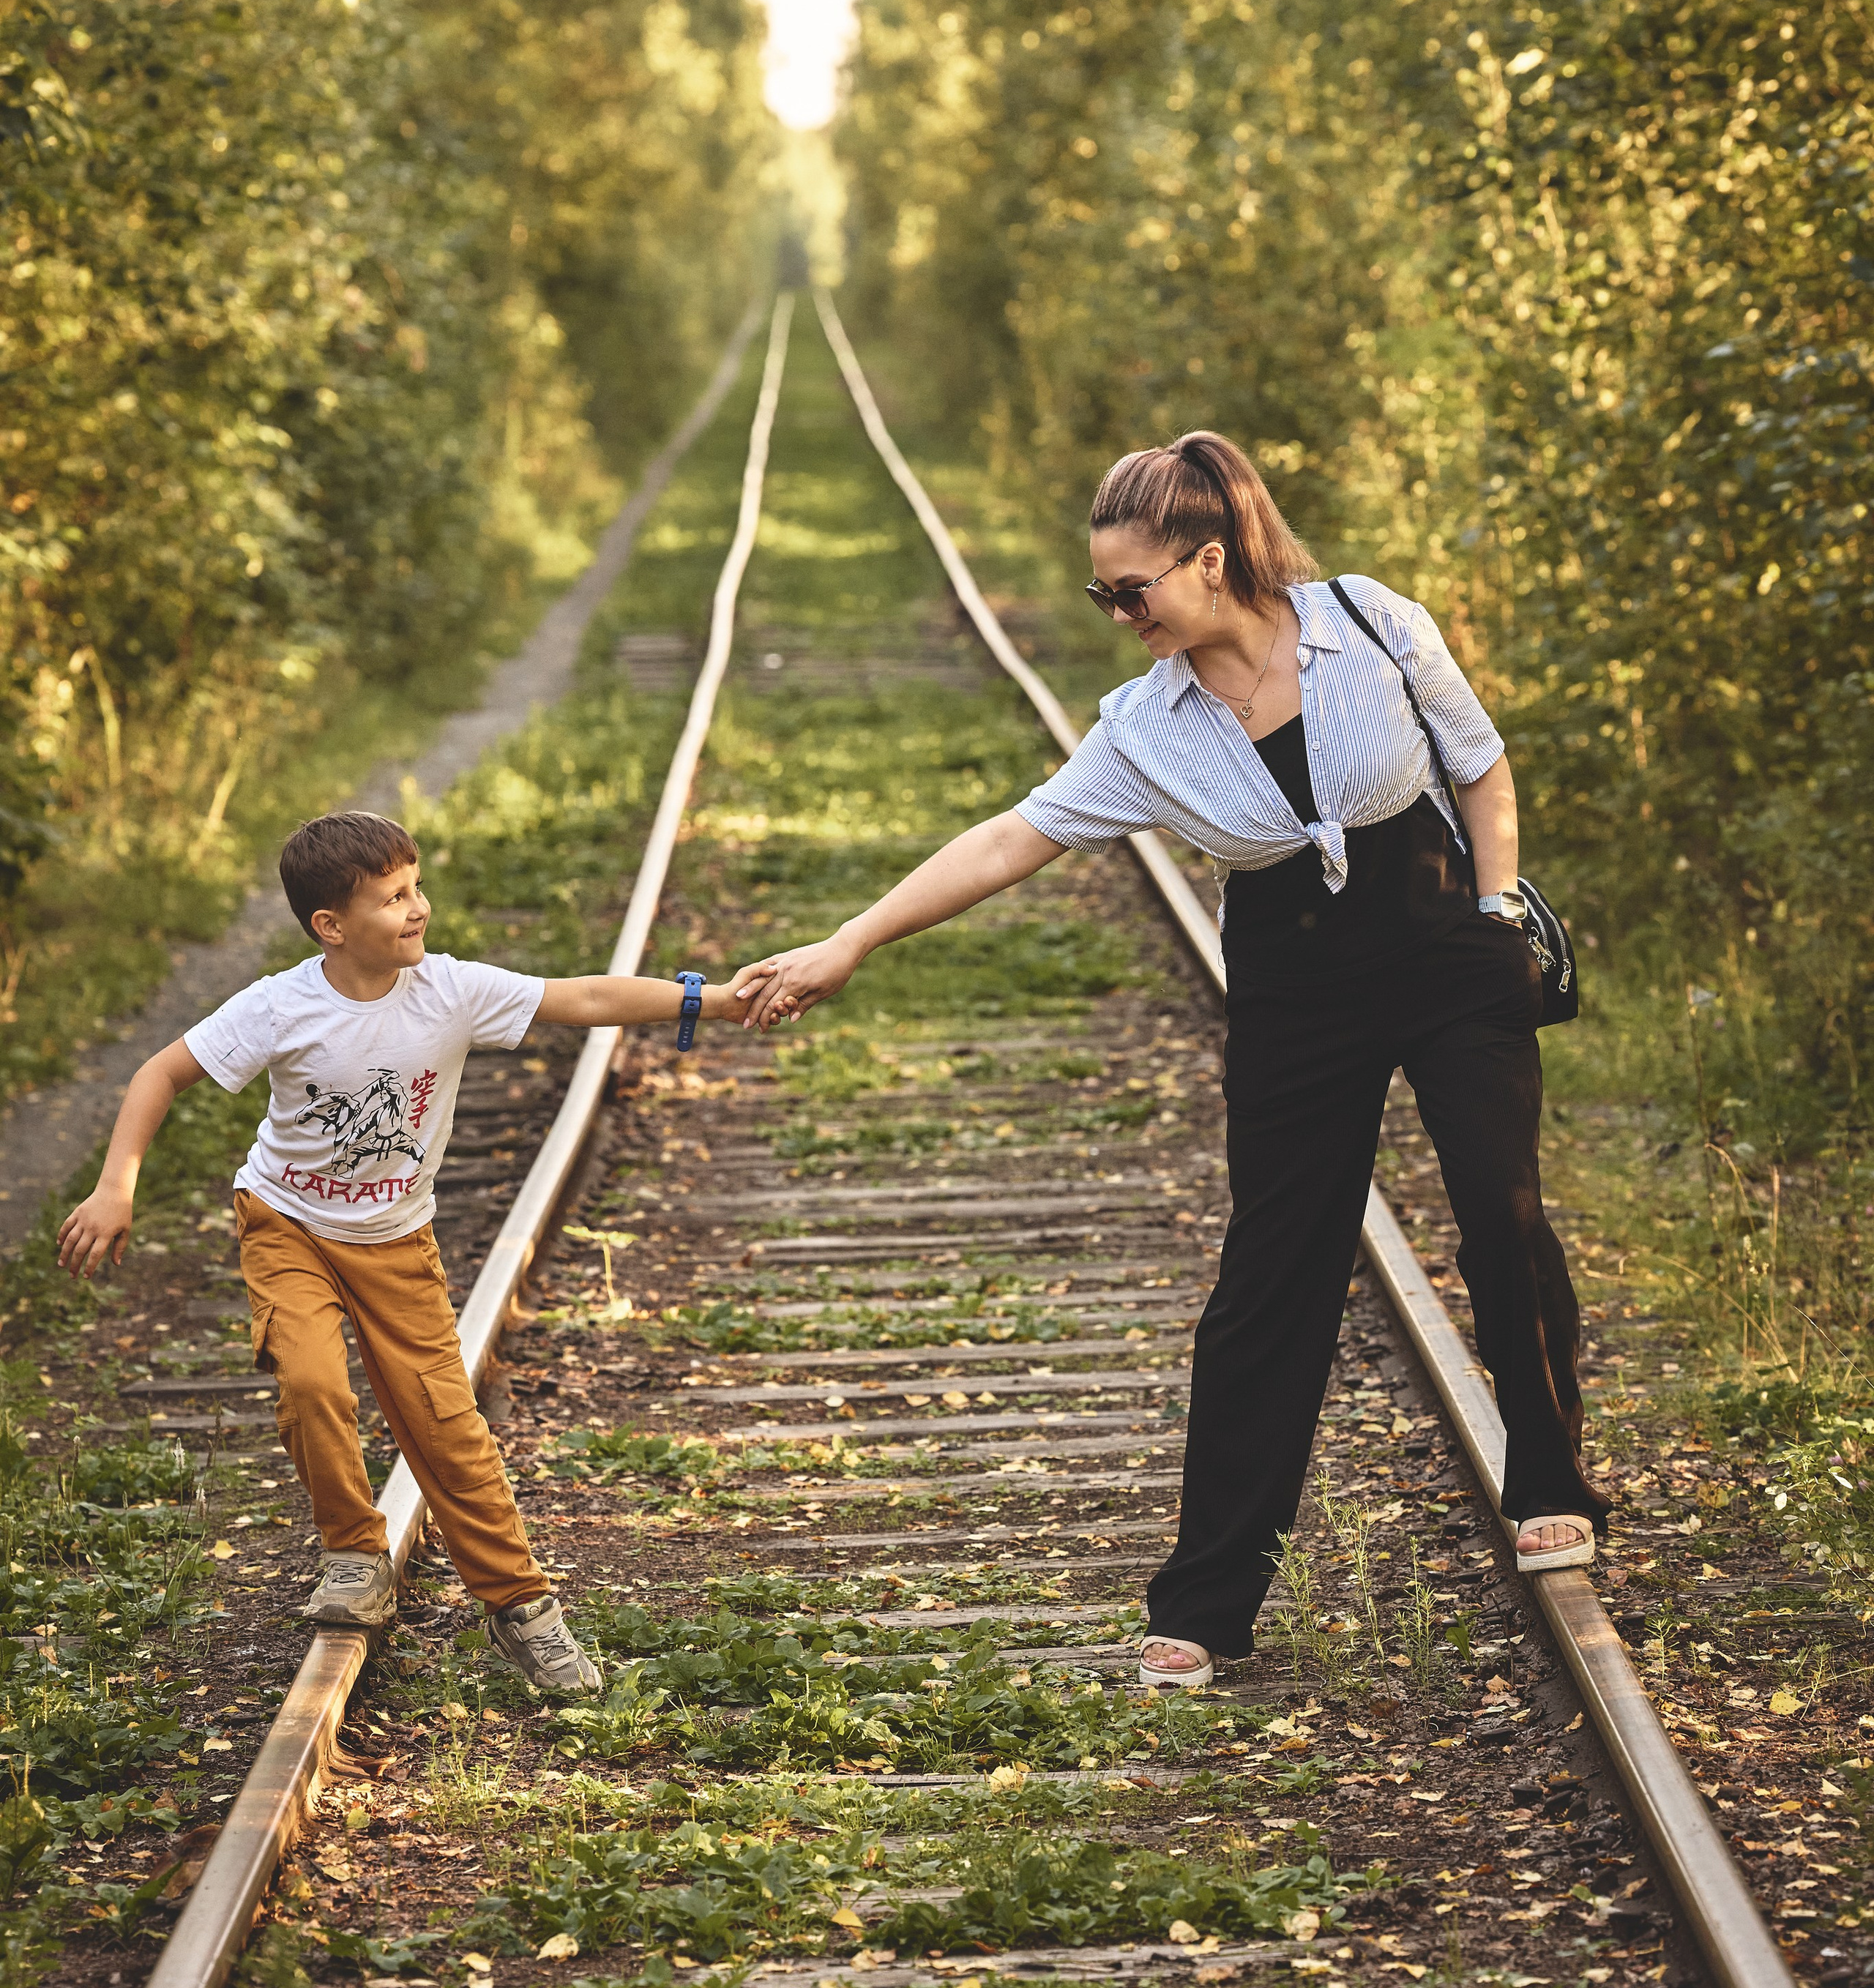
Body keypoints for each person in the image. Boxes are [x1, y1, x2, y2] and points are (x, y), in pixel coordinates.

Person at [742, 433, 1608, 1691]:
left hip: (1443, 940)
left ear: (1210, 560)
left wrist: (1490, 918)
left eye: (1128, 589)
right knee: (1273, 1271)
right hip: (1293, 984)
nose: (1115, 613)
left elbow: (1479, 766)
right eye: (1104, 592)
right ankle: (1207, 1598)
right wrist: (852, 938)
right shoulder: (1145, 726)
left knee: (1498, 1205)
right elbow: (1005, 839)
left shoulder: (1372, 624)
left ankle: (1548, 1473)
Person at [57, 811, 771, 1695]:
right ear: (332, 925)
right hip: (289, 1228)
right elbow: (158, 1073)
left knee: (446, 1431)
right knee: (314, 1383)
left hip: (397, 1241)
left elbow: (579, 999)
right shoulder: (280, 1005)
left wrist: (705, 998)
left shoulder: (451, 990)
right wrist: (116, 1185)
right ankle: (355, 1554)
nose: (418, 908)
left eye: (416, 886)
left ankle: (524, 1609)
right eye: (394, 898)